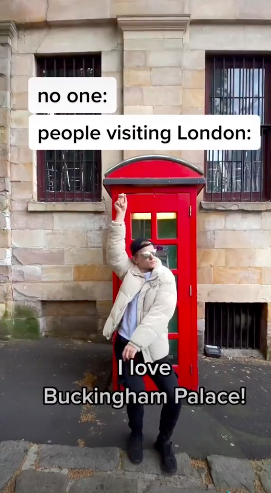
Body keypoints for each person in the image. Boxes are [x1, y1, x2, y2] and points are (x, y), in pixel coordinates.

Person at [103, 193, 182, 474]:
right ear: (135, 259)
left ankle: (164, 441)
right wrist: (119, 217)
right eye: (145, 254)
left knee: (174, 396)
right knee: (135, 394)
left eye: (154, 252)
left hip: (152, 348)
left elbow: (161, 314)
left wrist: (138, 342)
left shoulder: (165, 277)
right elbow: (114, 254)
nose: (152, 256)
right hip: (125, 344)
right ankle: (135, 434)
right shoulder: (130, 273)